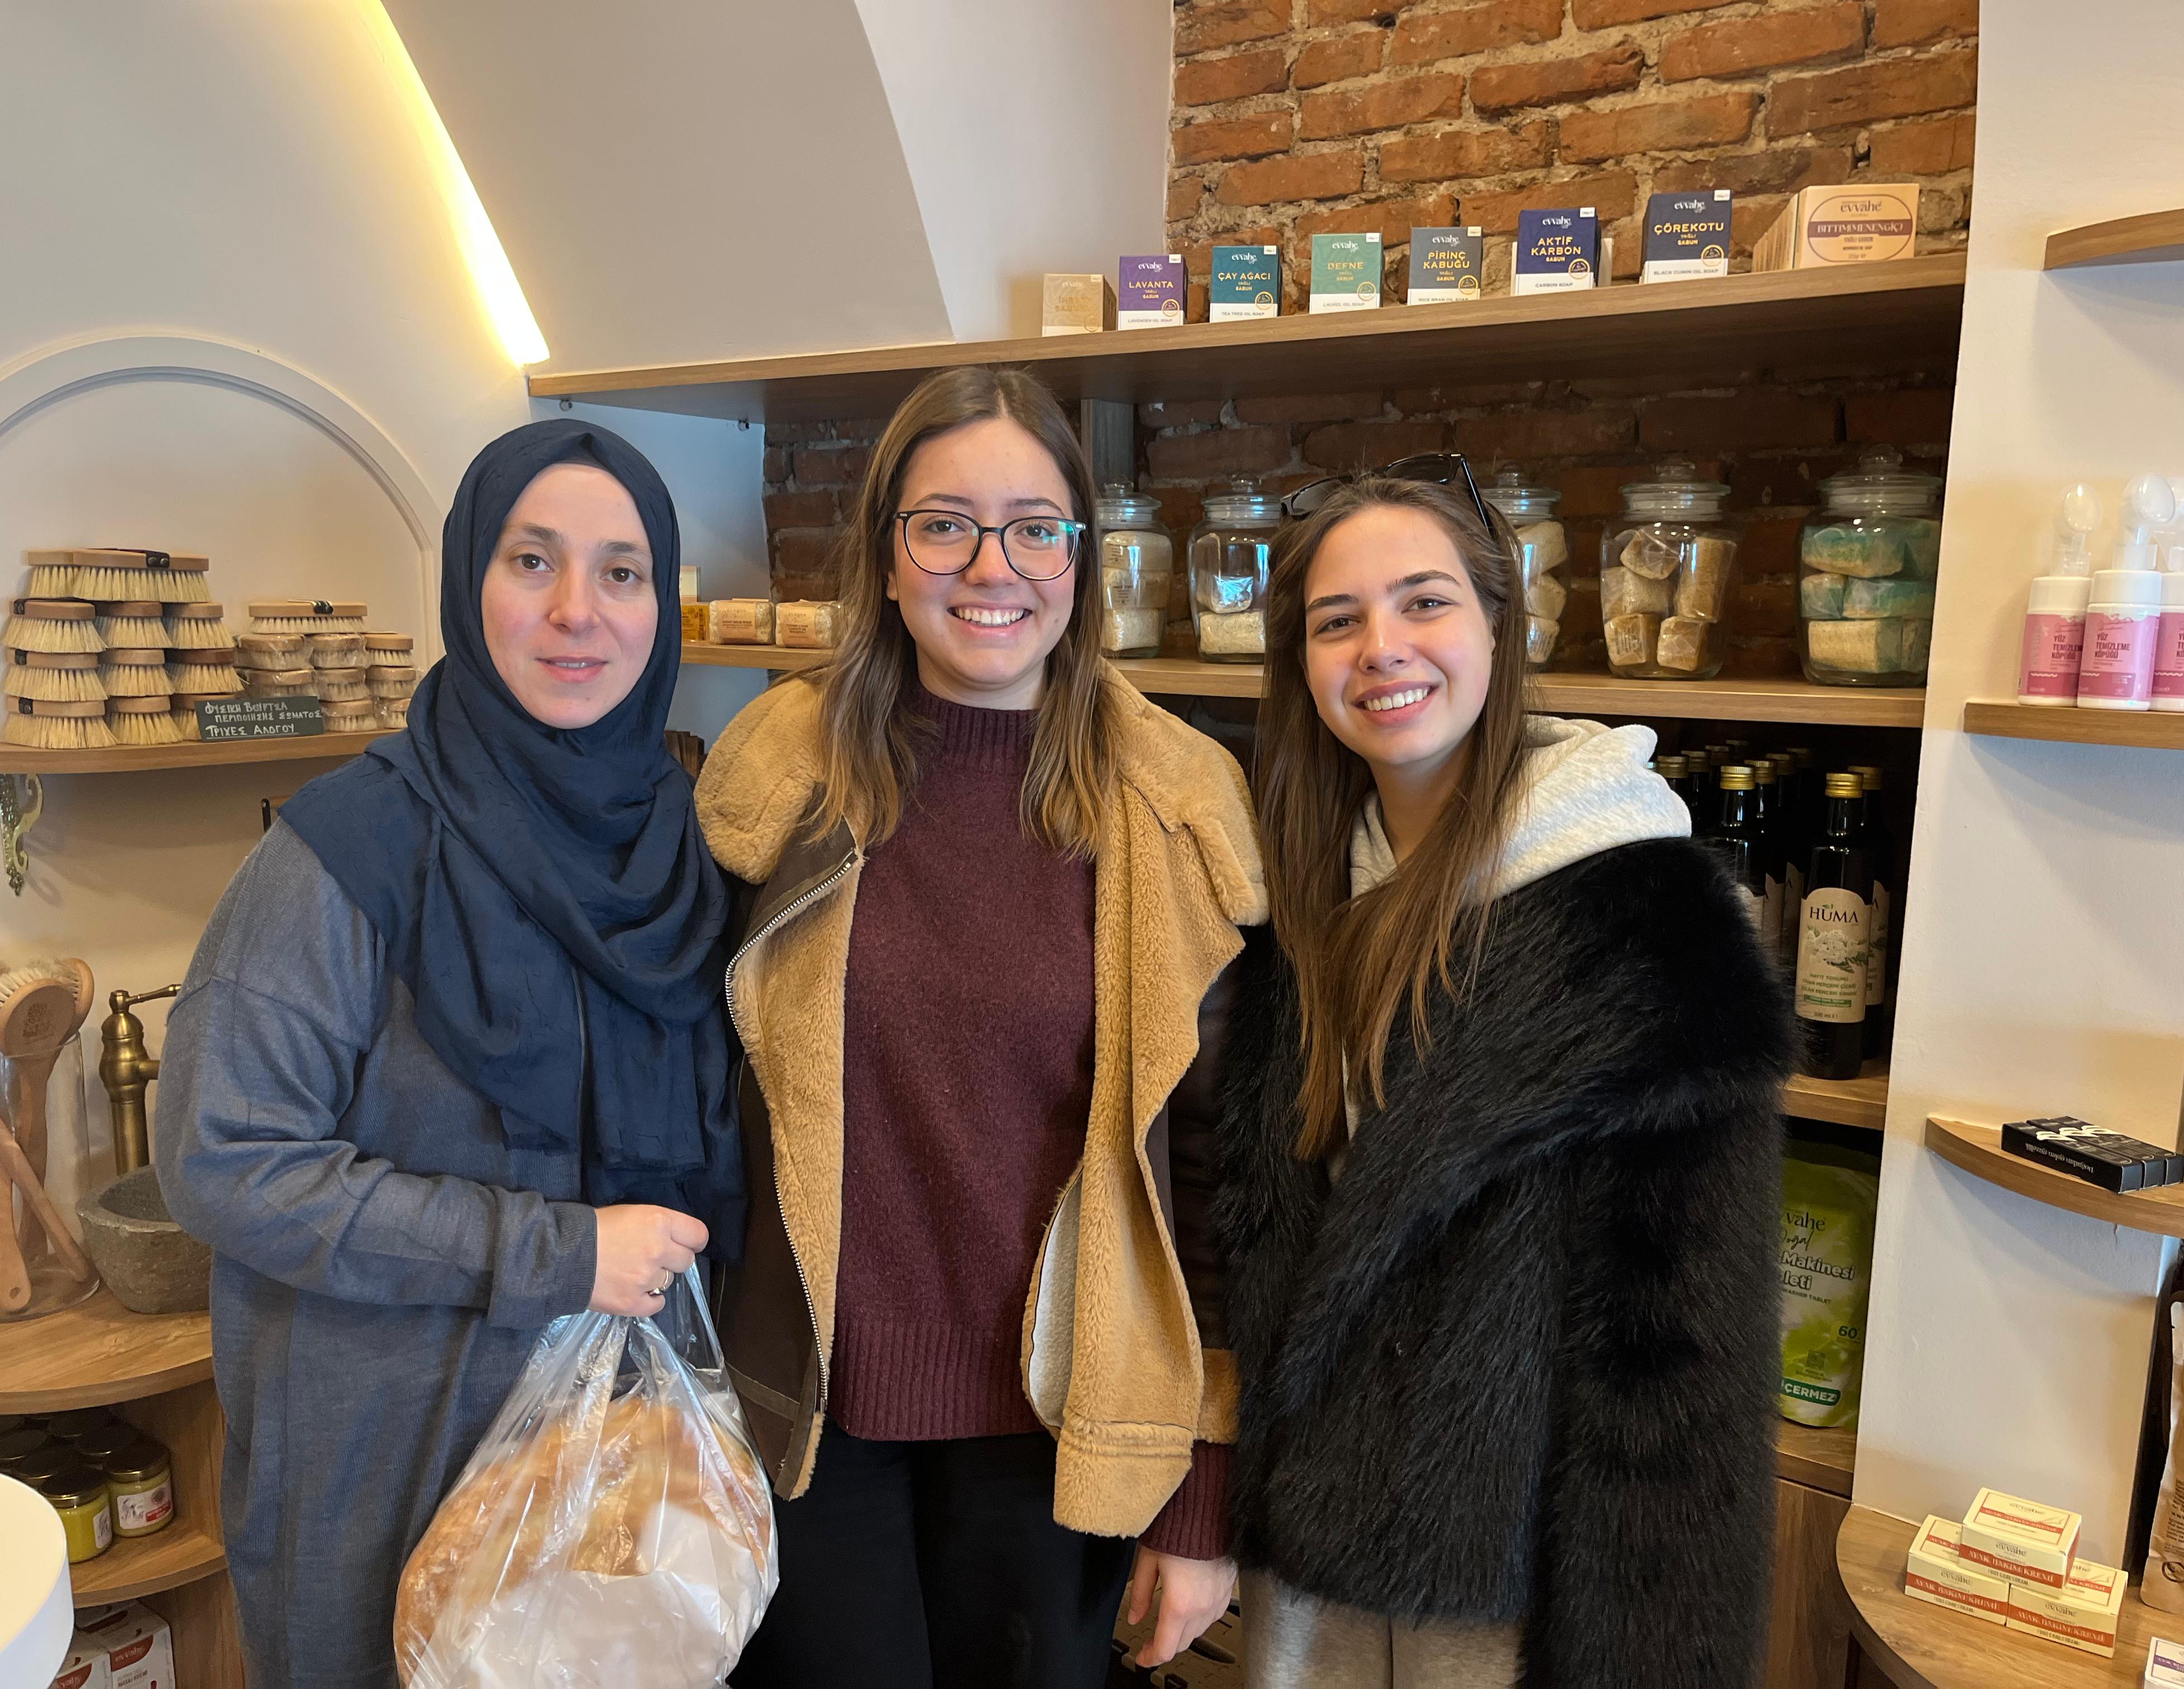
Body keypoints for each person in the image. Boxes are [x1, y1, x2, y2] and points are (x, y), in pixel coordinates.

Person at [696, 366, 1261, 1688]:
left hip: (1061, 1430)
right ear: (887, 557)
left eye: (1034, 528)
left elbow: (1220, 1180)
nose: (991, 567)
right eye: (945, 525)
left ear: (1082, 557)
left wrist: (1202, 1496)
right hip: (808, 1425)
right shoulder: (775, 777)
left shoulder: (1177, 805)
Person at [155, 419, 742, 1689]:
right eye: (532, 561)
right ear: (469, 582)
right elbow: (224, 1159)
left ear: (662, 610)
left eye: (623, 571)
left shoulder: (688, 852)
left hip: (628, 1477)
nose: (578, 610)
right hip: (387, 1480)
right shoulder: (343, 854)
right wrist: (556, 1253)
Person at [1217, 476, 1792, 1688]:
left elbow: (1681, 1360)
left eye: (1423, 602)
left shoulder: (1638, 925)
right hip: (1308, 1550)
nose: (1382, 648)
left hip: (1506, 1585)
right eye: (1337, 620)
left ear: (1499, 625)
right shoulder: (1302, 899)